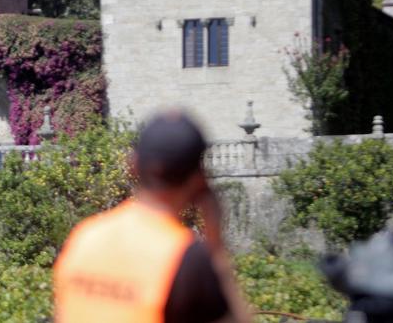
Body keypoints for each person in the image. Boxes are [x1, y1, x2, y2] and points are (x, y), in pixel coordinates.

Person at [53, 111, 252, 323]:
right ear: (199, 179)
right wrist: (217, 250)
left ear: (133, 165)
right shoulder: (185, 257)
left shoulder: (84, 236)